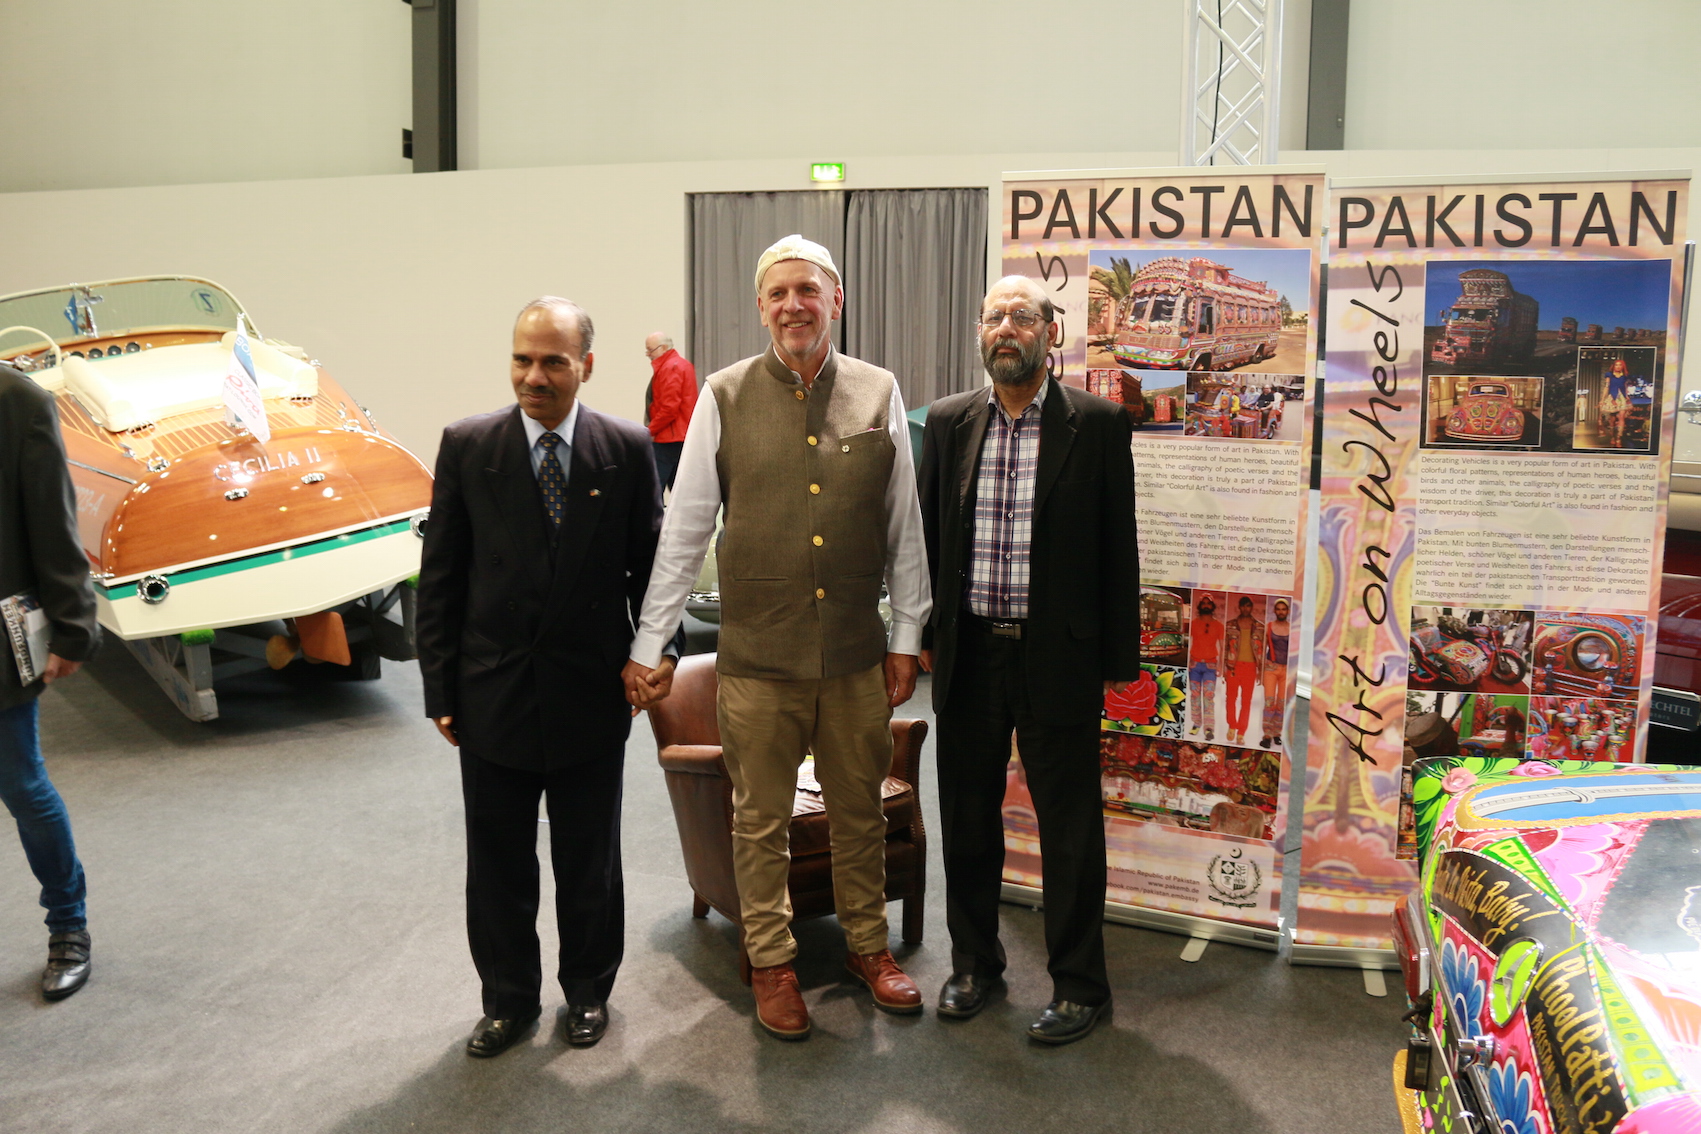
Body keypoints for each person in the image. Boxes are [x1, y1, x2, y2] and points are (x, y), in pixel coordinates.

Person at [624, 235, 931, 1041]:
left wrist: (906, 634)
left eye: (808, 290)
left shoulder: (878, 390)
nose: (793, 305)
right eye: (778, 293)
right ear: (760, 307)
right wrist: (650, 646)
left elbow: (903, 527)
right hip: (757, 660)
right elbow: (685, 531)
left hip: (854, 657)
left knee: (858, 810)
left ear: (836, 300)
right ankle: (771, 962)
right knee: (759, 821)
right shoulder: (721, 395)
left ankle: (868, 947)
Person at [417, 297, 679, 1058]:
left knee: (588, 859)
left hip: (590, 691)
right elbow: (441, 578)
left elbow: (653, 571)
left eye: (553, 362)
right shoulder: (468, 445)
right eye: (522, 359)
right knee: (497, 863)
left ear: (585, 367)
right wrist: (439, 689)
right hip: (491, 692)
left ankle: (588, 990)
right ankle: (507, 1000)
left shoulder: (625, 448)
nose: (534, 376)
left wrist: (660, 652)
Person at [917, 274, 1141, 1045]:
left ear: (1051, 332)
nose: (1004, 328)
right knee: (967, 821)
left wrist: (1116, 661)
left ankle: (1080, 986)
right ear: (980, 333)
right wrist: (920, 636)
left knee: (1069, 831)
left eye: (1020, 316)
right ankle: (973, 965)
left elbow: (1118, 547)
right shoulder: (947, 423)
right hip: (969, 655)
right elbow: (927, 541)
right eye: (992, 317)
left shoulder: (1097, 423)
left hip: (1057, 657)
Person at [0, 362, 101, 1001]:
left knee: (22, 786)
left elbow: (53, 522)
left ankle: (68, 925)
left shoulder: (17, 402)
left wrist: (72, 627)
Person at [644, 332, 697, 489]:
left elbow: (669, 408)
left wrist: (649, 431)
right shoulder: (682, 365)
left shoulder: (670, 368)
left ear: (663, 348)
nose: (648, 354)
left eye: (650, 350)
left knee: (652, 490)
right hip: (681, 437)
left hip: (668, 439)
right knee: (679, 491)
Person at [1223, 596, 1264, 747]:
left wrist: (1260, 671)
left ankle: (1241, 733)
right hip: (1233, 666)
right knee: (1230, 698)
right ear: (1239, 607)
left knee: (1246, 701)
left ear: (1251, 607)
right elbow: (1225, 648)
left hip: (1250, 668)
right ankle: (1232, 725)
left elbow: (1262, 650)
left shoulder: (1259, 627)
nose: (1245, 609)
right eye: (1243, 606)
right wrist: (1224, 668)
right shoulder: (1230, 625)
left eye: (1248, 606)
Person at [1188, 592, 1224, 742]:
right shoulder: (1193, 623)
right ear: (1200, 606)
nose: (1206, 605)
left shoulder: (1219, 625)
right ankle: (1196, 723)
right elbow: (1188, 642)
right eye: (1204, 603)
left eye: (1209, 603)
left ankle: (1209, 728)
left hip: (1210, 665)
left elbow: (1223, 647)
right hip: (1194, 665)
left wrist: (1220, 666)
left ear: (1212, 606)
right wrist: (1188, 662)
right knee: (1195, 696)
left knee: (1209, 697)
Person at [1259, 599, 1291, 748]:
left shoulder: (1292, 628)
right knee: (1269, 703)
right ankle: (1267, 735)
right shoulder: (1269, 627)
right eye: (1278, 609)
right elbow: (1262, 649)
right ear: (1275, 611)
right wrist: (1260, 671)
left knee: (1282, 704)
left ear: (1288, 611)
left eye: (1283, 609)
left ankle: (1277, 733)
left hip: (1287, 670)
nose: (1281, 612)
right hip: (1271, 668)